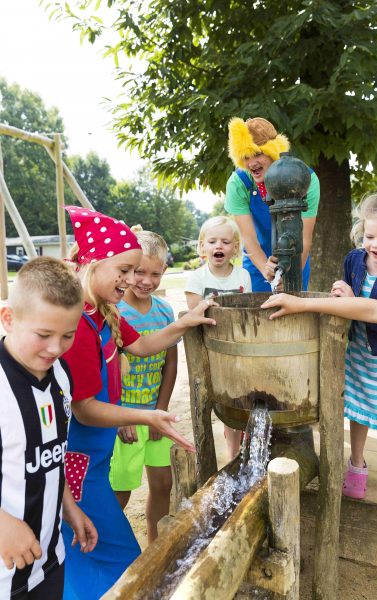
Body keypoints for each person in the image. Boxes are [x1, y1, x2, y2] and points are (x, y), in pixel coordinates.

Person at [60, 206, 216, 600]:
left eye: (137, 271)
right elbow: (85, 408)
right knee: (110, 555)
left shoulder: (104, 312)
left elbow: (144, 345)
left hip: (93, 460)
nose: (131, 280)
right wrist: (146, 416)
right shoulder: (79, 323)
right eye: (125, 270)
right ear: (93, 263)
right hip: (78, 465)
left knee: (93, 553)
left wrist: (184, 322)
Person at [262, 194, 377, 495]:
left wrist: (310, 304)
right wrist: (345, 295)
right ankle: (357, 464)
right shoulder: (355, 260)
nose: (375, 244)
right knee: (359, 408)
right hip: (361, 349)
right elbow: (353, 304)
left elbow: (374, 310)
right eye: (369, 235)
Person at [0, 257, 97, 600]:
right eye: (43, 335)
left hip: (49, 560)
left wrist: (69, 507)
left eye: (67, 336)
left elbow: (51, 455)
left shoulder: (59, 374)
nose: (56, 348)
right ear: (9, 318)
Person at [109, 230, 177, 544]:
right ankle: (106, 548)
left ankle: (155, 548)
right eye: (139, 272)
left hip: (154, 414)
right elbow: (108, 368)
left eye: (156, 274)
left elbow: (171, 363)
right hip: (123, 418)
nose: (146, 281)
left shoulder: (165, 312)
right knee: (119, 491)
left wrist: (160, 410)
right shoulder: (115, 312)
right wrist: (122, 417)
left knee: (163, 484)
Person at [224, 117, 320, 291]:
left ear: (273, 151)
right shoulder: (239, 183)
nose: (252, 163)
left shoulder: (306, 179)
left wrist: (292, 274)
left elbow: (304, 239)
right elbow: (249, 240)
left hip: (296, 255)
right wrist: (265, 269)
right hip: (257, 260)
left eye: (258, 154)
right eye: (246, 157)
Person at [185, 216, 251, 460]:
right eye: (212, 241)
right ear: (203, 247)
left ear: (235, 247)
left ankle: (233, 453)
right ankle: (206, 454)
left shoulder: (242, 276)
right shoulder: (198, 278)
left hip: (235, 348)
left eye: (225, 241)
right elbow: (193, 314)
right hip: (209, 347)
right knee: (209, 400)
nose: (218, 246)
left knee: (234, 400)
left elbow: (247, 310)